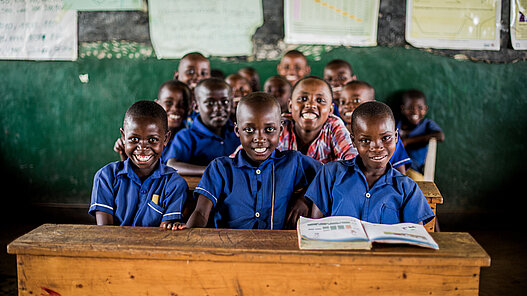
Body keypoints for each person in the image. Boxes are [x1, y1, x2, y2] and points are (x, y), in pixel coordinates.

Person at [170, 93, 322, 230]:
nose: (260, 138)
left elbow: (327, 176)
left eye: (269, 130)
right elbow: (201, 213)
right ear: (237, 131)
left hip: (277, 250)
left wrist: (305, 199)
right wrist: (189, 236)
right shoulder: (221, 168)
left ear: (281, 130)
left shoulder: (293, 162)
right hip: (229, 251)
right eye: (249, 130)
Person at [306, 101, 434, 225]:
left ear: (396, 137)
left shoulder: (407, 188)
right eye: (365, 140)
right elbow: (315, 229)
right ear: (353, 141)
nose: (377, 147)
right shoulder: (331, 174)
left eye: (385, 138)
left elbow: (415, 237)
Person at [89, 100, 188, 228]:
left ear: (166, 139)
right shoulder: (106, 176)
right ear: (123, 137)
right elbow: (105, 231)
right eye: (134, 139)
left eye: (152, 140)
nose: (142, 147)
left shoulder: (174, 184)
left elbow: (165, 234)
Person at [165, 78, 240, 175]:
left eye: (225, 102)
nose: (218, 108)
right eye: (210, 103)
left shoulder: (238, 133)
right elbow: (172, 165)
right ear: (196, 107)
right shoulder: (187, 136)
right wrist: (214, 171)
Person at [278, 76, 357, 164]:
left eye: (320, 100)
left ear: (330, 110)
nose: (311, 105)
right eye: (303, 99)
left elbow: (353, 161)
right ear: (290, 106)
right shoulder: (280, 126)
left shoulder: (333, 126)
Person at [339, 81, 411, 175]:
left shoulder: (389, 138)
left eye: (356, 100)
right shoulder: (336, 133)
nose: (347, 106)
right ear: (353, 140)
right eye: (343, 102)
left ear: (372, 103)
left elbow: (400, 175)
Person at [113, 80, 192, 163]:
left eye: (182, 104)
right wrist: (124, 153)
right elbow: (134, 171)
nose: (175, 109)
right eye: (168, 103)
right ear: (158, 104)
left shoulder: (189, 137)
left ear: (190, 108)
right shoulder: (141, 134)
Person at [397, 89, 445, 179]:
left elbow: (440, 136)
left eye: (420, 108)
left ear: (426, 109)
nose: (415, 112)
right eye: (410, 108)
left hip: (414, 169)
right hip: (394, 167)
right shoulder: (395, 124)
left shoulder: (426, 124)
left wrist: (407, 141)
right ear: (403, 109)